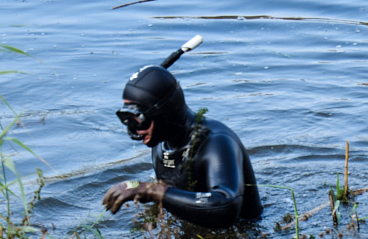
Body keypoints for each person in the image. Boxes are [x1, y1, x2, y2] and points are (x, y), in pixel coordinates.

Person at [102, 64, 262, 228]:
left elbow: (226, 205)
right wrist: (151, 221)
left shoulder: (215, 142)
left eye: (139, 119)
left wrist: (150, 190)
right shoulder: (160, 142)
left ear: (165, 113)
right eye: (126, 119)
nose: (136, 130)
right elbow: (169, 193)